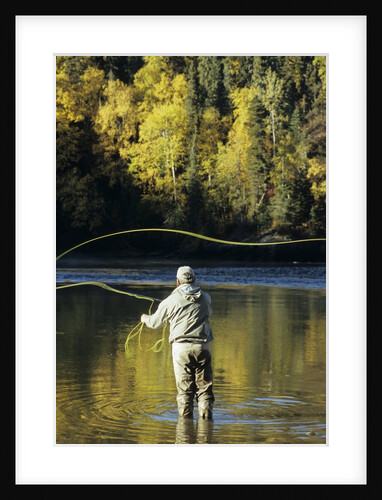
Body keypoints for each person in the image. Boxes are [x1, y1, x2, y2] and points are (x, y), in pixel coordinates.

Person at [141, 266, 214, 419]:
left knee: (185, 390)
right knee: (204, 389)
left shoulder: (170, 300)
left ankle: (185, 429)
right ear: (194, 279)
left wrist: (145, 318)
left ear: (178, 281)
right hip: (203, 347)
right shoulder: (206, 297)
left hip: (181, 349)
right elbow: (208, 314)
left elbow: (154, 323)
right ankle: (206, 425)